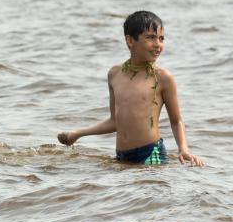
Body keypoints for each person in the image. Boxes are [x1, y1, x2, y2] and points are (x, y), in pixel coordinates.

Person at [57, 10, 203, 166]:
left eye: (161, 38)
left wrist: (183, 149)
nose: (158, 44)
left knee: (151, 188)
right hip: (121, 155)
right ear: (130, 41)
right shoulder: (114, 74)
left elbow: (176, 121)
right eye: (150, 38)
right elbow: (115, 122)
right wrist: (78, 134)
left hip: (151, 153)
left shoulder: (162, 78)